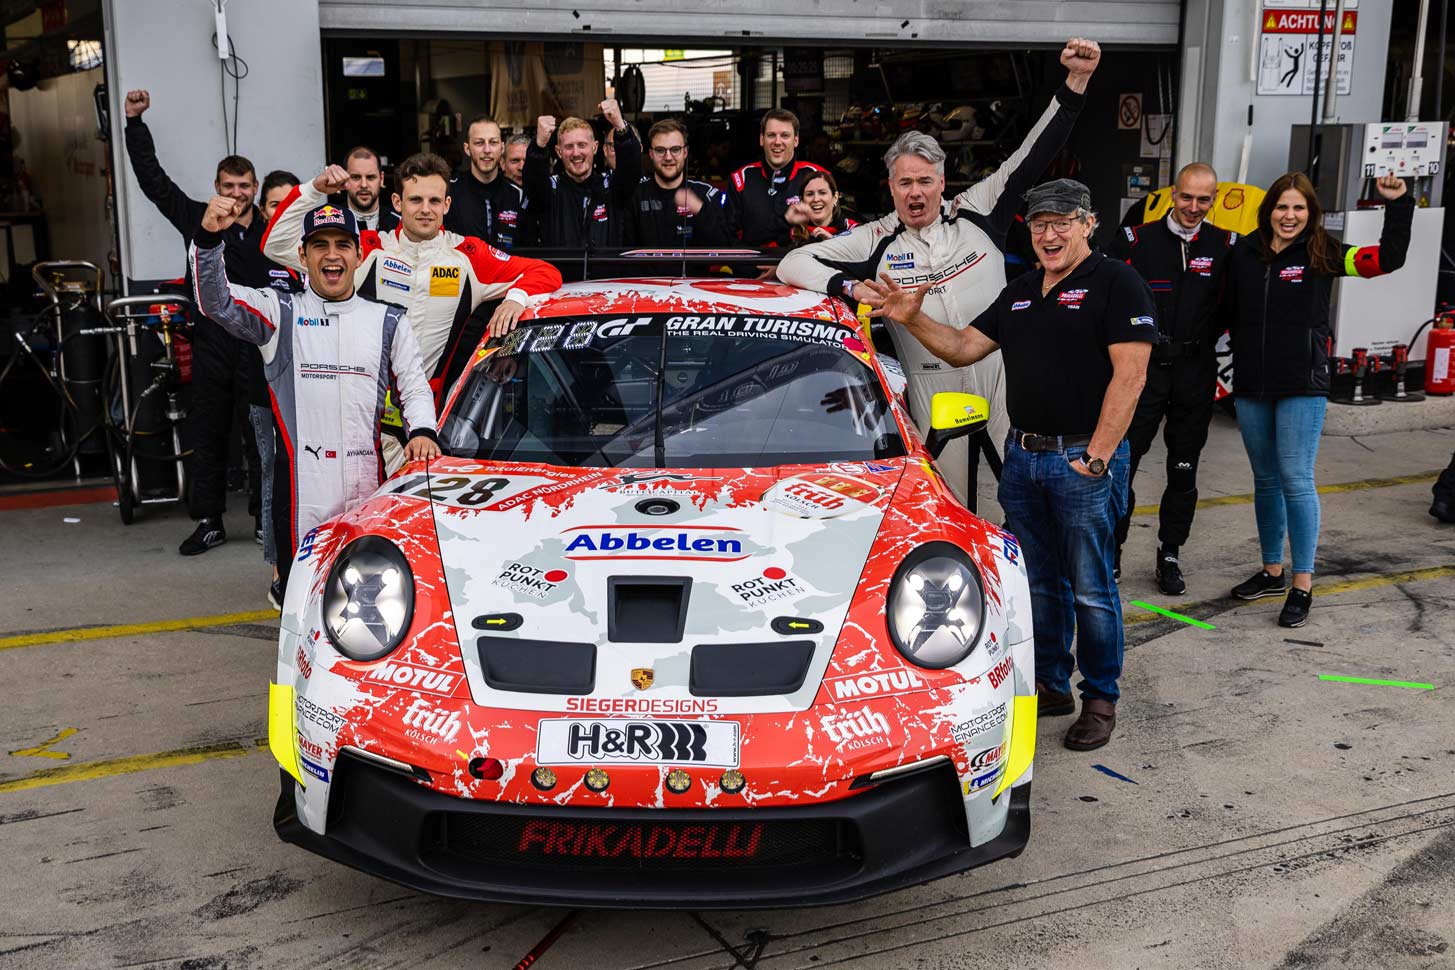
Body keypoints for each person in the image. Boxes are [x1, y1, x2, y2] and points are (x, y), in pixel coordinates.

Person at [868, 178, 1154, 752]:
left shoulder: (1117, 283)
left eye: (1062, 222)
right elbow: (961, 347)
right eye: (1040, 224)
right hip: (1024, 458)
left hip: (1082, 459)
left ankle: (1101, 698)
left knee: (1091, 586)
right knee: (1038, 583)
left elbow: (1131, 376)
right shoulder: (1021, 291)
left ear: (1088, 224)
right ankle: (1052, 684)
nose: (1049, 234)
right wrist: (910, 318)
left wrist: (1096, 458)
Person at [777, 37, 1102, 501]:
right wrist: (850, 287)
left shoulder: (979, 208)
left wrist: (1076, 80)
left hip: (1002, 379)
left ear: (942, 182)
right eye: (905, 182)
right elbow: (793, 262)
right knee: (944, 503)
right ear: (891, 187)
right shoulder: (875, 238)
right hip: (932, 390)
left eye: (925, 181)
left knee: (1029, 498)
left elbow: (1035, 151)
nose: (916, 192)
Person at [192, 197, 439, 593]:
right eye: (320, 245)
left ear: (359, 255)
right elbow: (216, 301)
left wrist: (423, 431)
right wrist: (208, 240)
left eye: (342, 244)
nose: (332, 255)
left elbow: (414, 385)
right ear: (302, 256)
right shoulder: (280, 311)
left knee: (370, 597)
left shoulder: (388, 319)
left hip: (367, 491)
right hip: (300, 498)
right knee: (300, 599)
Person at [263, 154, 560, 469]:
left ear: (447, 204)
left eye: (434, 200)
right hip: (357, 414)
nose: (425, 209)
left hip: (425, 423)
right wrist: (312, 189)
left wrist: (515, 298)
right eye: (416, 200)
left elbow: (545, 272)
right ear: (397, 202)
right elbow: (274, 245)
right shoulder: (368, 249)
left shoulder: (468, 256)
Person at [1224, 172, 1412, 627]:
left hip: (1302, 383)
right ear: (1268, 210)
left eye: (1299, 208)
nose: (1289, 216)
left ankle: (1302, 584)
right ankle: (1272, 571)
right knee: (1265, 479)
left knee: (1295, 477)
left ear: (1311, 214)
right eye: (1282, 207)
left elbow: (1386, 259)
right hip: (1251, 383)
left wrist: (1399, 205)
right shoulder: (1243, 253)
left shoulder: (1323, 251)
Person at [122, 88, 285, 557]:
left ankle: (264, 520)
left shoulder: (273, 231)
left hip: (259, 346)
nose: (236, 195)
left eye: (244, 186)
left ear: (255, 187)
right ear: (217, 187)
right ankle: (209, 521)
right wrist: (135, 123)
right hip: (211, 343)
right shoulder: (197, 217)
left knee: (261, 437)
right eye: (228, 186)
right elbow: (153, 182)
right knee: (208, 434)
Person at [1107, 162, 1237, 594]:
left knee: (1183, 469)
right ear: (1172, 194)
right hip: (1142, 371)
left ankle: (1170, 554)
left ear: (1214, 200)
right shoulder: (1135, 240)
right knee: (1122, 466)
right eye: (1186, 197)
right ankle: (1112, 551)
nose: (1193, 207)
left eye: (1203, 199)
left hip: (1195, 373)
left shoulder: (1226, 245)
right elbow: (1101, 296)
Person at [251, 170, 304, 607]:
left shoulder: (319, 252)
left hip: (312, 388)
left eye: (291, 204)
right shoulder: (254, 256)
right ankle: (277, 571)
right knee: (275, 476)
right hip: (265, 390)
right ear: (263, 210)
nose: (283, 211)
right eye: (275, 205)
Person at [525, 101, 642, 249]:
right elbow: (533, 181)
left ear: (595, 147)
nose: (576, 153)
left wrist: (620, 126)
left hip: (606, 265)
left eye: (582, 145)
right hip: (560, 265)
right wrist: (539, 145)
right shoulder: (550, 190)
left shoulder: (611, 188)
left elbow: (631, 169)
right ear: (559, 152)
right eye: (569, 146)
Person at [728, 109, 828, 247]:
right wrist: (786, 221)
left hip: (803, 260)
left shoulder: (819, 178)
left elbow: (835, 231)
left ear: (796, 140)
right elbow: (728, 238)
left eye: (785, 135)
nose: (777, 142)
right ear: (762, 139)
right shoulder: (741, 180)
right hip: (754, 260)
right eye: (771, 135)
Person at [627, 119, 733, 247]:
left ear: (685, 152)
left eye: (675, 149)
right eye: (660, 150)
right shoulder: (636, 195)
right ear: (651, 154)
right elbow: (623, 251)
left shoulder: (707, 195)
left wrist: (700, 210)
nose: (668, 157)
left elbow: (725, 247)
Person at [445, 115, 528, 250]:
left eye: (493, 142)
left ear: (502, 148)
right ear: (467, 149)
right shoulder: (450, 191)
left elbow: (528, 252)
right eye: (479, 143)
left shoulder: (518, 195)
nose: (487, 150)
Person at [786, 170, 858, 245]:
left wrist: (833, 242)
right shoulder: (790, 232)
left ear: (835, 197)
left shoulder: (854, 229)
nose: (816, 199)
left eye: (822, 193)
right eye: (809, 194)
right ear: (802, 200)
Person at [338, 146, 399, 232]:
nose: (364, 185)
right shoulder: (332, 221)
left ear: (381, 179)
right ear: (345, 179)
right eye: (356, 177)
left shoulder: (399, 224)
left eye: (370, 177)